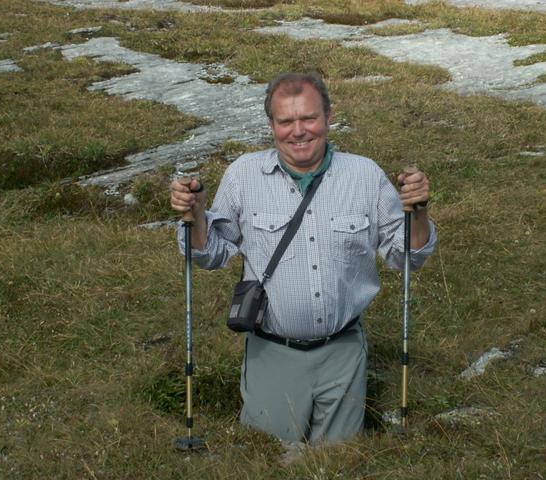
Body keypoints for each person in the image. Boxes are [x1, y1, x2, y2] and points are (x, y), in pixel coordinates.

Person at [170, 72, 436, 444]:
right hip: (271, 352)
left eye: (309, 118)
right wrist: (196, 215)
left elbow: (407, 257)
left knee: (339, 460)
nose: (298, 131)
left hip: (344, 352)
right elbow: (210, 254)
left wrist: (418, 211)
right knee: (267, 456)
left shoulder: (365, 176)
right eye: (286, 121)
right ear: (272, 125)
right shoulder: (243, 176)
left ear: (328, 117)